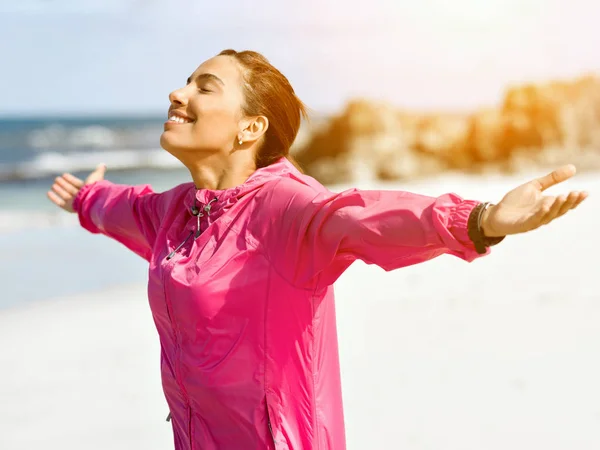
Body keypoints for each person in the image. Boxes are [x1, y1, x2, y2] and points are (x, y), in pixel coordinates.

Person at [47, 49, 588, 450]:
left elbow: (366, 215)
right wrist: (86, 198)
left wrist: (480, 220)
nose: (178, 93)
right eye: (185, 82)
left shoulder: (288, 209)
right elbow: (126, 206)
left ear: (249, 127)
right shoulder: (176, 212)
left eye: (204, 87)